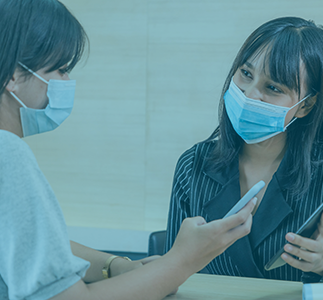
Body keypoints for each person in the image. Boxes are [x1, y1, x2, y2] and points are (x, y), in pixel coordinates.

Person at [0, 1, 256, 299]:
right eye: (60, 69)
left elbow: (32, 244)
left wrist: (115, 266)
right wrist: (184, 260)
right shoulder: (8, 154)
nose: (66, 82)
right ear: (13, 76)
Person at [165, 16, 323, 288]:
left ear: (305, 105)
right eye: (246, 74)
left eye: (273, 88)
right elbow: (164, 273)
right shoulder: (192, 165)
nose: (250, 95)